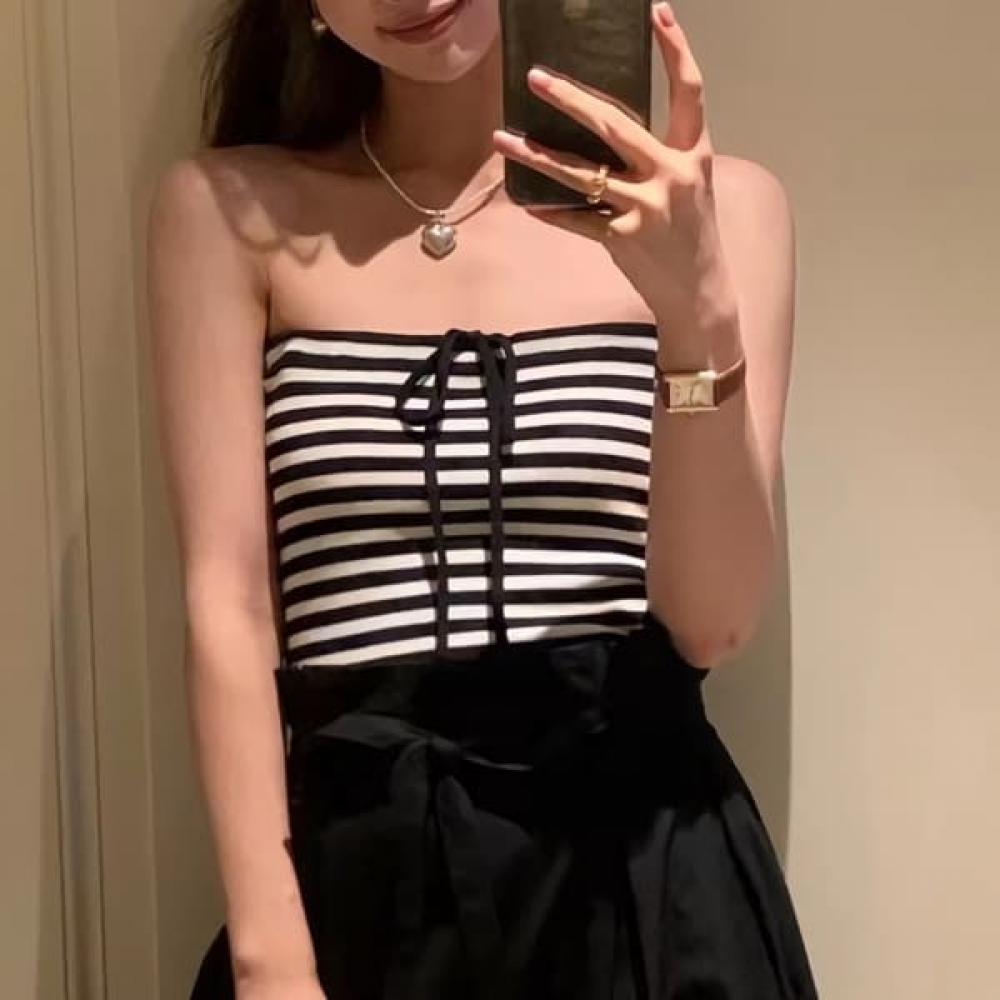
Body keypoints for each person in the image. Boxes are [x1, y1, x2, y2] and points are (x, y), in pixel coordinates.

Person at [147, 0, 817, 997]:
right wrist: (268, 954)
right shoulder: (229, 212)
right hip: (362, 889)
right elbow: (227, 601)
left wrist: (696, 313)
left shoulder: (726, 210)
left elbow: (711, 620)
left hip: (649, 894)